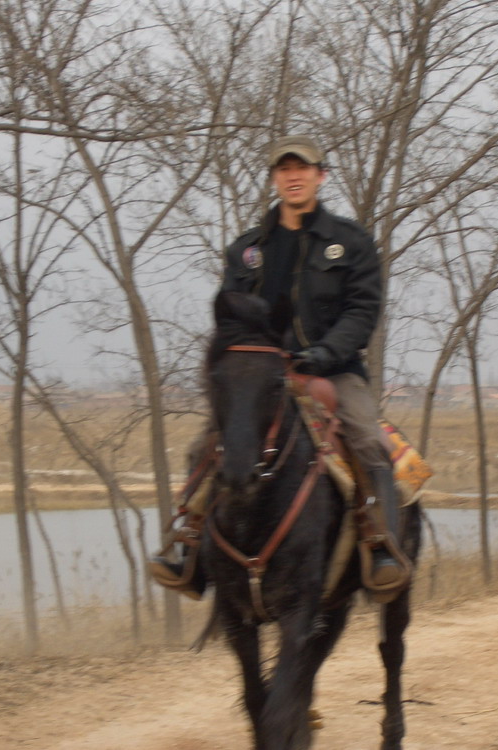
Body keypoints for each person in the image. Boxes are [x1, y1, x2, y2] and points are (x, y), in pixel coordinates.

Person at [152, 134, 408, 598]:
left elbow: (362, 312)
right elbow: (231, 316)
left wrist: (325, 354)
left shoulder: (351, 242)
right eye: (283, 169)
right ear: (274, 179)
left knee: (370, 442)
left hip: (334, 370)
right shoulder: (247, 250)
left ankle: (382, 548)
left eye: (302, 168)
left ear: (320, 175)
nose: (293, 176)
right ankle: (188, 551)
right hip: (265, 376)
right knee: (203, 449)